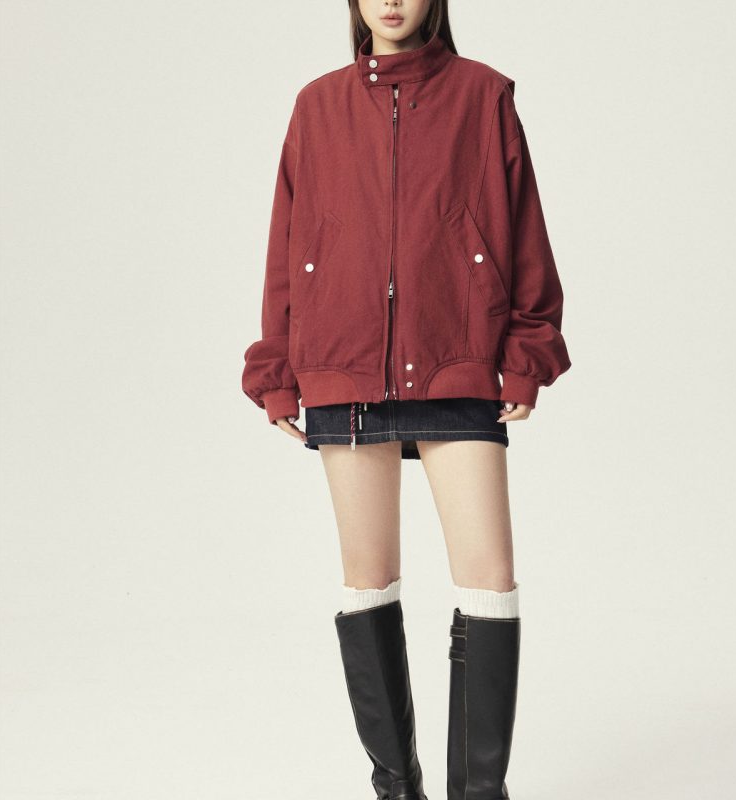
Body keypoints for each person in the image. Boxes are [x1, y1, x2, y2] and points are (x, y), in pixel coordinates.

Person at [241, 2, 572, 798]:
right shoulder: (317, 106)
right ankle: (397, 789)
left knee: (489, 579)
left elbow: (524, 231)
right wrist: (279, 365)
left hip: (456, 354)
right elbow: (289, 242)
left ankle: (477, 794)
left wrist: (525, 354)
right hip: (345, 361)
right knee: (368, 578)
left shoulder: (483, 95)